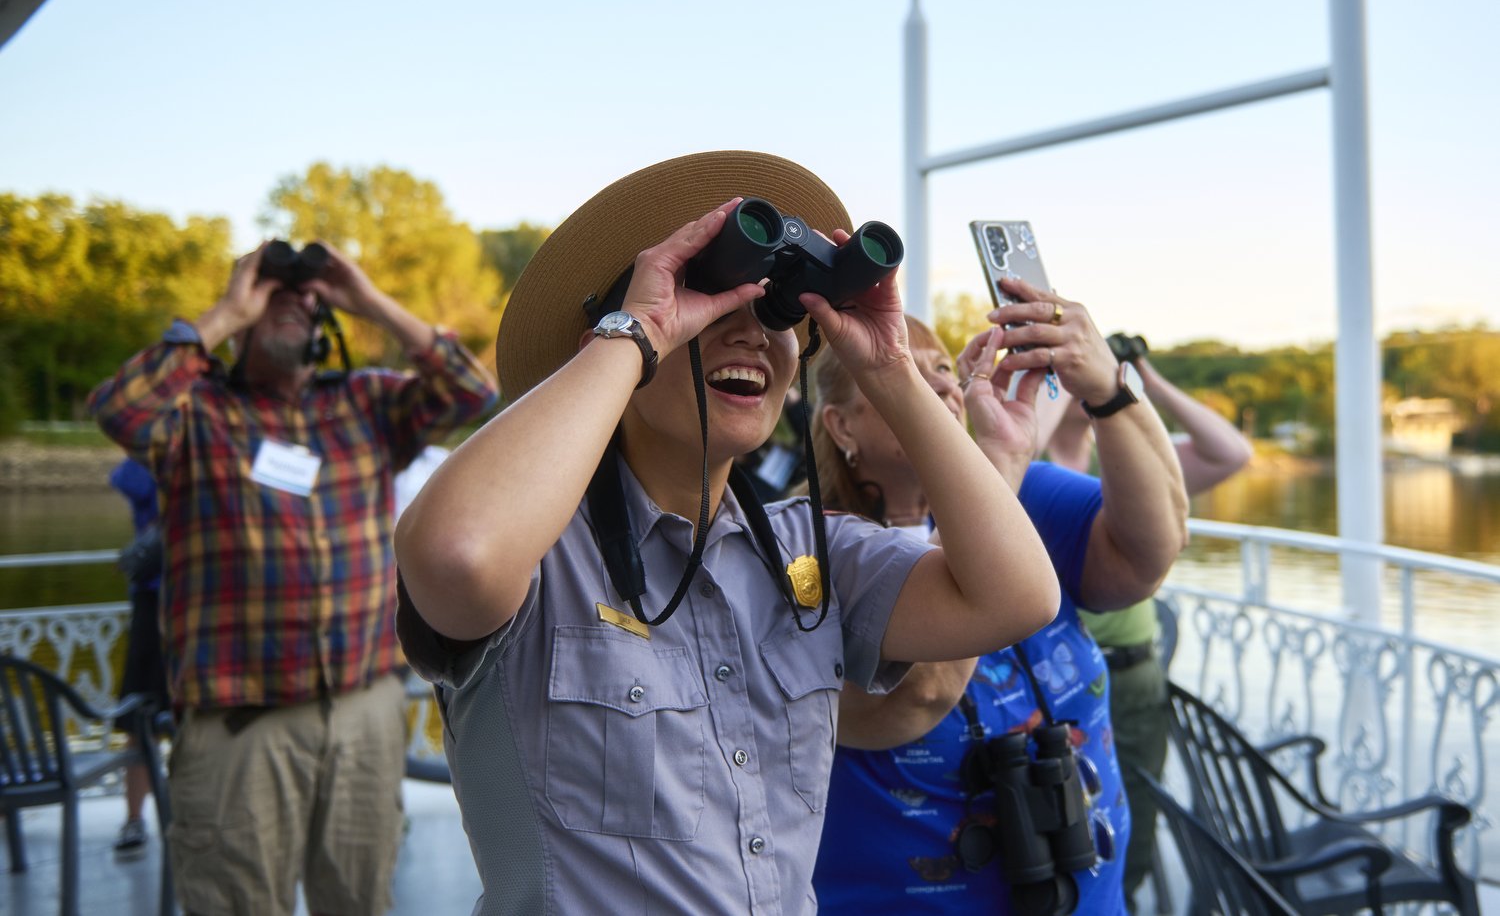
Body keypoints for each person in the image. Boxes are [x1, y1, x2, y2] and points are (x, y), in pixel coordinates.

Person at [392, 150, 1062, 914]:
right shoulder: (542, 557)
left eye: (776, 316)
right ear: (612, 347)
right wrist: (638, 328)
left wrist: (891, 372)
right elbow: (457, 554)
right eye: (707, 305)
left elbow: (1017, 597)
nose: (749, 335)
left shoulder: (811, 551)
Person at [88, 239, 497, 916]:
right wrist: (224, 310)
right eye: (275, 295)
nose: (295, 304)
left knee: (360, 904)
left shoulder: (365, 402)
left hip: (363, 716)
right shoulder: (194, 414)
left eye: (306, 298)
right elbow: (119, 409)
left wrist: (365, 298)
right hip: (239, 728)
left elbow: (471, 390)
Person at [810, 300, 1189, 914]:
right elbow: (917, 697)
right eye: (897, 367)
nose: (934, 378)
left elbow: (1148, 554)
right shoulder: (807, 547)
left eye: (939, 366)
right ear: (842, 426)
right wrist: (997, 470)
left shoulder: (1028, 494)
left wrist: (1105, 390)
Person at [1056, 340, 1254, 913]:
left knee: (1129, 830)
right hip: (1055, 682)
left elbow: (1231, 453)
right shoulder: (1023, 453)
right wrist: (1053, 373)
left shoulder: (1123, 464)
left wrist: (1141, 379)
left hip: (1132, 678)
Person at [108, 455, 170, 854]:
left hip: (212, 599)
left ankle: (197, 816)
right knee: (141, 718)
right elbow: (127, 479)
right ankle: (134, 819)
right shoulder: (149, 458)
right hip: (155, 601)